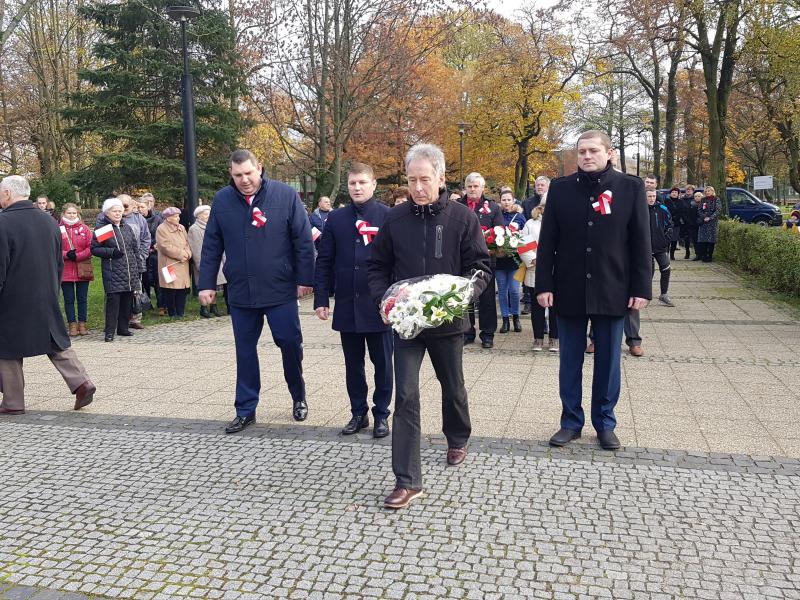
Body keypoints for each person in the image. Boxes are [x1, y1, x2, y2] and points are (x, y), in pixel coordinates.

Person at [368, 143, 491, 510]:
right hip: (407, 325)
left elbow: (481, 267)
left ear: (440, 178)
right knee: (404, 394)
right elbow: (377, 267)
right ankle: (407, 481)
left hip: (448, 322)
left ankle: (458, 435)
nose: (418, 187)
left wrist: (461, 295)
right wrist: (383, 300)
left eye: (425, 179)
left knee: (452, 387)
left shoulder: (462, 219)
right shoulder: (394, 218)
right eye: (412, 180)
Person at [535, 130, 651, 451]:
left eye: (593, 151)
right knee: (569, 361)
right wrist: (543, 283)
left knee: (608, 363)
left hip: (612, 288)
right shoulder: (560, 190)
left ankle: (605, 423)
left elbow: (641, 242)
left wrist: (641, 287)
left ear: (609, 153)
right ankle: (570, 422)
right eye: (581, 151)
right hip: (568, 289)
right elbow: (548, 243)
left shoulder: (630, 188)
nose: (586, 156)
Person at [199, 149, 315, 434]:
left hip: (279, 289)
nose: (244, 180)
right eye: (238, 175)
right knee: (245, 352)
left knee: (289, 344)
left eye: (249, 173)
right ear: (231, 174)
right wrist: (206, 284)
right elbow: (212, 245)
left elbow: (302, 240)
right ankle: (246, 408)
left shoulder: (285, 196)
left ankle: (298, 395)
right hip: (241, 292)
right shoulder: (223, 200)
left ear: (259, 168)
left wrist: (305, 279)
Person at [0, 175, 96, 414]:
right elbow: (58, 260)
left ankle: (13, 402)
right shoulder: (49, 222)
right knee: (54, 340)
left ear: (8, 194)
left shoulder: (2, 223)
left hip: (11, 296)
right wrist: (53, 287)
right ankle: (82, 382)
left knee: (6, 347)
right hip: (45, 291)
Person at [314, 162, 393, 438]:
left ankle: (381, 413)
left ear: (373, 184)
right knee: (353, 364)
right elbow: (324, 261)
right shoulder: (336, 219)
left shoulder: (387, 216)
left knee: (383, 363)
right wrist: (321, 298)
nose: (357, 187)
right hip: (348, 303)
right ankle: (358, 412)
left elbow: (396, 262)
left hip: (379, 306)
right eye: (352, 183)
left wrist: (395, 301)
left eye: (362, 182)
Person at [459, 172, 502, 348]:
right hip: (462, 259)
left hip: (486, 260)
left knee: (487, 298)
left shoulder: (493, 208)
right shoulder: (457, 206)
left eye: (476, 186)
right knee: (464, 296)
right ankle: (467, 332)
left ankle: (488, 334)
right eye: (469, 186)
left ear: (483, 188)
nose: (472, 189)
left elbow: (500, 231)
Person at [91, 197, 140, 342]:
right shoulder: (104, 228)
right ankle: (109, 331)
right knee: (114, 302)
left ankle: (123, 328)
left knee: (127, 300)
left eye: (120, 211)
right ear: (107, 213)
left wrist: (138, 266)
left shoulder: (127, 227)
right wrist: (111, 252)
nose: (118, 213)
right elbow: (95, 249)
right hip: (113, 270)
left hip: (129, 270)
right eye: (115, 211)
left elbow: (134, 248)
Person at [521, 203, 559, 351]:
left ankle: (554, 338)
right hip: (535, 269)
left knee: (555, 307)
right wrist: (535, 259)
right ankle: (538, 338)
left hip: (557, 270)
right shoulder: (531, 223)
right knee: (537, 307)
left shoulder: (562, 219)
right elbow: (523, 242)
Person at [59, 203, 94, 336]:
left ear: (78, 214)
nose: (72, 215)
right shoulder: (58, 229)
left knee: (82, 298)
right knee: (68, 299)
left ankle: (82, 324)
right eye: (69, 213)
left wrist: (78, 256)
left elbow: (91, 247)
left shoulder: (84, 229)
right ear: (64, 214)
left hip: (82, 268)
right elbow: (54, 248)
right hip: (66, 269)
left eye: (74, 213)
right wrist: (66, 254)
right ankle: (72, 325)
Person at [496, 187, 526, 334]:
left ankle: (516, 317)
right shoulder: (497, 215)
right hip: (500, 259)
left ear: (513, 200)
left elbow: (525, 236)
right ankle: (505, 320)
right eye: (503, 200)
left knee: (514, 291)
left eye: (509, 199)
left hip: (514, 260)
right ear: (500, 202)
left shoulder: (519, 216)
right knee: (502, 291)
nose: (506, 202)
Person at [188, 204, 226, 317]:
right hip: (203, 262)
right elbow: (196, 248)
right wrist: (201, 265)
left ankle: (213, 307)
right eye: (205, 214)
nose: (208, 216)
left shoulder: (211, 226)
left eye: (209, 214)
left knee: (214, 285)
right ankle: (203, 308)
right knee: (204, 285)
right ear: (198, 216)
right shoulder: (194, 229)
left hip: (214, 262)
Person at [156, 206, 192, 318]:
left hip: (183, 263)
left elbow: (187, 242)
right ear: (168, 218)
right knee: (170, 289)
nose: (178, 218)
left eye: (178, 216)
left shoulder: (181, 227)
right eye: (175, 216)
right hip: (169, 264)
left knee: (182, 288)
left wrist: (188, 253)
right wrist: (181, 254)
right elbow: (165, 246)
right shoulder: (161, 229)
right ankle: (172, 313)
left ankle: (181, 312)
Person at [137, 196, 164, 314]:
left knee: (158, 279)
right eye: (137, 207)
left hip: (155, 253)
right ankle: (146, 303)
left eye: (142, 207)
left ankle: (161, 304)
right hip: (142, 253)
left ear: (148, 206)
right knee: (145, 279)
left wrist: (154, 246)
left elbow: (161, 233)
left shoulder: (157, 219)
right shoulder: (135, 219)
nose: (139, 209)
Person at [697, 186, 721, 262]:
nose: (707, 192)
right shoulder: (703, 200)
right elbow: (699, 210)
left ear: (712, 191)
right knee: (703, 240)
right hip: (704, 222)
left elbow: (718, 210)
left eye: (709, 191)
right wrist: (704, 217)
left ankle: (709, 256)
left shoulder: (716, 199)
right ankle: (704, 255)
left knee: (711, 240)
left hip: (712, 223)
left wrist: (710, 218)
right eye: (706, 191)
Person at [663, 187, 683, 260]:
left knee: (674, 239)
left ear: (678, 194)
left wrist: (675, 218)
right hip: (667, 222)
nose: (674, 193)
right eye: (673, 192)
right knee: (667, 239)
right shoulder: (666, 201)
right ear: (670, 193)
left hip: (676, 223)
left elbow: (681, 211)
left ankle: (672, 254)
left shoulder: (680, 202)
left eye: (676, 192)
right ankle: (666, 253)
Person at [678, 185, 695, 259]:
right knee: (686, 238)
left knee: (694, 238)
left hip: (694, 221)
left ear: (693, 191)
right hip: (685, 221)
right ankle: (687, 251)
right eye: (687, 189)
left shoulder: (695, 198)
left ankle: (697, 253)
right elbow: (680, 210)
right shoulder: (682, 199)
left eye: (690, 189)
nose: (689, 191)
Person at [689, 191, 703, 261]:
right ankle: (697, 254)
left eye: (699, 196)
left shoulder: (704, 204)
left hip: (702, 224)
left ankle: (702, 254)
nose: (697, 198)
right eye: (695, 196)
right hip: (693, 225)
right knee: (695, 240)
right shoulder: (691, 204)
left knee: (702, 240)